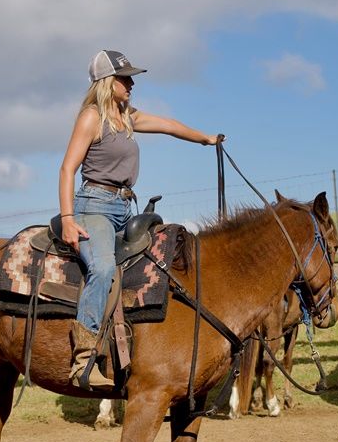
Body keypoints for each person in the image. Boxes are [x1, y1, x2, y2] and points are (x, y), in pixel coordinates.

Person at [58, 49, 221, 390]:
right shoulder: (92, 117)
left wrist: (205, 138)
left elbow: (169, 125)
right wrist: (70, 218)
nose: (131, 83)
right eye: (124, 78)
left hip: (124, 208)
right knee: (102, 269)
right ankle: (83, 358)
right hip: (95, 206)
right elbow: (68, 168)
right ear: (107, 83)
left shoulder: (128, 117)